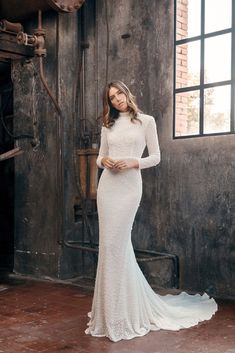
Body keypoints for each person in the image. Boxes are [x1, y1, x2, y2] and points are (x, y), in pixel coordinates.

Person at [85, 81, 217, 342]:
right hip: (108, 187)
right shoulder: (107, 125)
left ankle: (123, 312)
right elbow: (99, 157)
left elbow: (155, 156)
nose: (117, 100)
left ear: (127, 93)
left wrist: (133, 162)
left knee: (118, 245)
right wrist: (106, 161)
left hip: (129, 187)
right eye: (112, 98)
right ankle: (110, 312)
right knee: (109, 248)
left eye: (119, 94)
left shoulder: (146, 121)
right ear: (109, 102)